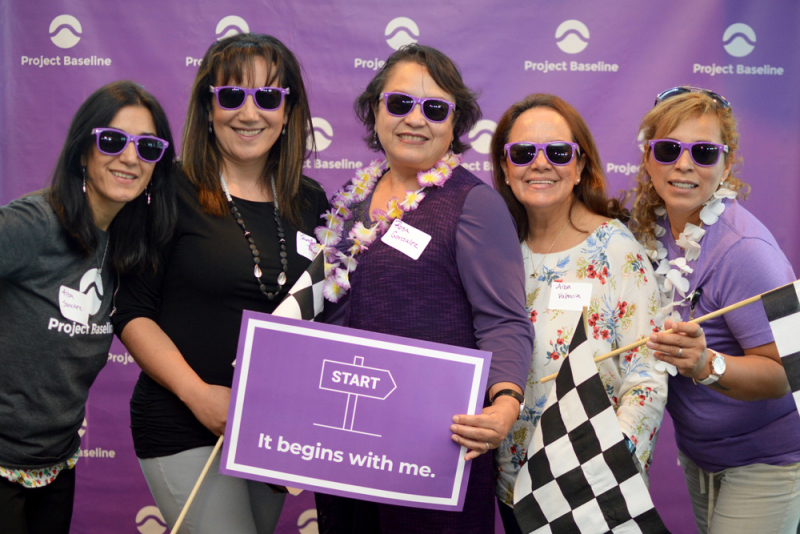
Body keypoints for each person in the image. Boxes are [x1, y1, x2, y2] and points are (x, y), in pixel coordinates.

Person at [111, 34, 329, 534]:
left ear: (288, 112)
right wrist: (199, 396)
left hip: (270, 433)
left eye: (267, 97)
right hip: (183, 421)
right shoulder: (166, 187)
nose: (249, 113)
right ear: (208, 108)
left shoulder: (310, 201)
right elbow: (132, 312)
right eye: (231, 96)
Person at [312, 43, 532, 533]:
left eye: (435, 108)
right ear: (376, 111)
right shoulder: (349, 203)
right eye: (400, 103)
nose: (415, 119)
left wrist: (505, 404)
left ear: (456, 124)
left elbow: (504, 320)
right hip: (345, 446)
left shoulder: (473, 204)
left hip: (434, 454)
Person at [0, 80, 176, 534]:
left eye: (149, 147)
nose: (131, 158)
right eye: (113, 141)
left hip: (55, 465)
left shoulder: (123, 246)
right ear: (83, 151)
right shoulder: (35, 223)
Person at [490, 93, 667, 534]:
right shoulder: (495, 253)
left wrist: (610, 461)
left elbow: (647, 372)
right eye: (524, 152)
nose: (540, 163)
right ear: (505, 168)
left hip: (592, 489)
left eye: (557, 151)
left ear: (580, 165)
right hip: (514, 489)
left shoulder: (616, 249)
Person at [630, 86, 800, 534]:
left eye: (704, 152)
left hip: (769, 461)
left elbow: (791, 371)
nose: (684, 165)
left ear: (726, 164)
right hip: (702, 454)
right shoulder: (653, 227)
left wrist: (708, 365)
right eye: (668, 149)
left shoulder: (748, 251)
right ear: (648, 158)